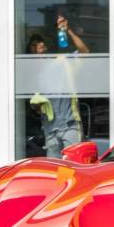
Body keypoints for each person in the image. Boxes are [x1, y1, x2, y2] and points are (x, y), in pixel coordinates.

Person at [27, 15, 89, 158]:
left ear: (45, 47)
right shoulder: (33, 75)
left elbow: (84, 52)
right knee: (54, 169)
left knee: (74, 165)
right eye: (34, 45)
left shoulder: (61, 62)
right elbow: (35, 107)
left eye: (40, 44)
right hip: (50, 131)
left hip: (70, 125)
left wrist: (68, 30)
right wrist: (36, 106)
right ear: (31, 52)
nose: (38, 47)